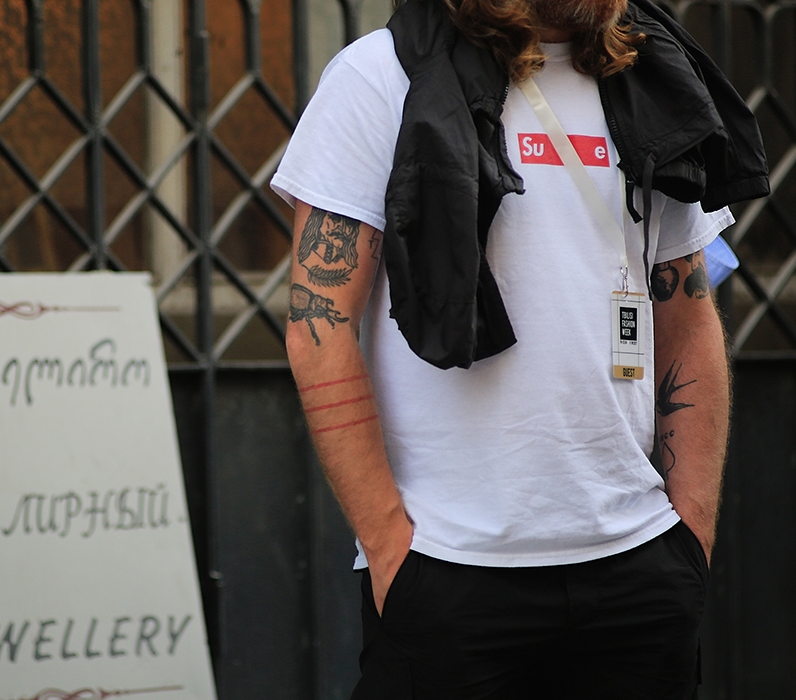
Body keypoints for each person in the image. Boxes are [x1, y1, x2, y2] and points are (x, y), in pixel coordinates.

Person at [272, 0, 769, 697]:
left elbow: (687, 319)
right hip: (447, 569)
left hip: (638, 568)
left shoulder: (650, 80)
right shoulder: (381, 75)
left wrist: (690, 535)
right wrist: (389, 548)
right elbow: (318, 324)